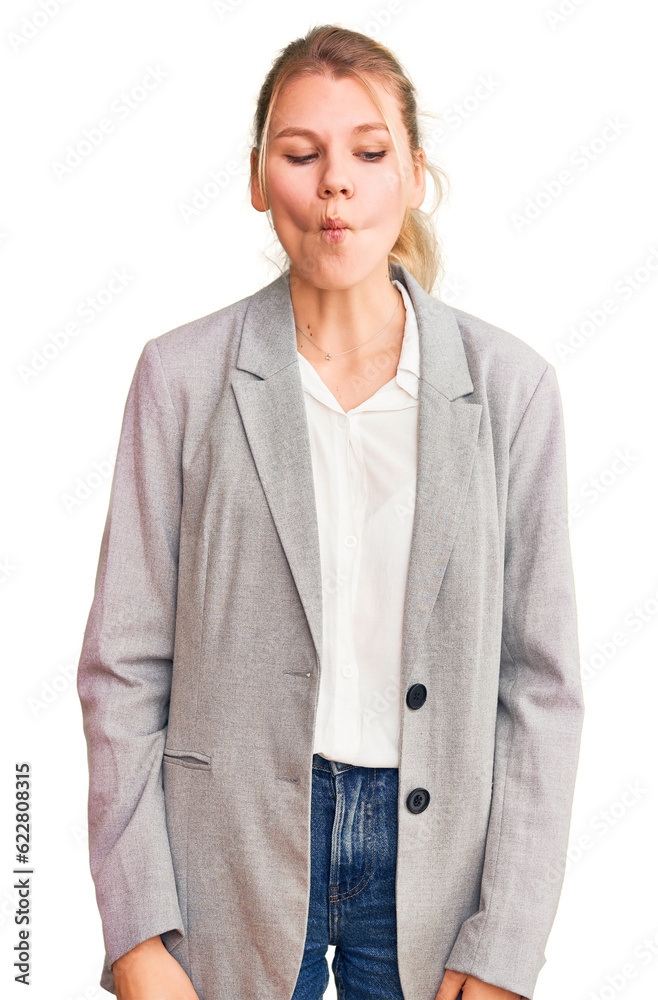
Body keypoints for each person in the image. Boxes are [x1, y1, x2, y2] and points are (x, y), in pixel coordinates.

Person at [77, 23, 584, 1000]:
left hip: (440, 875)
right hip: (226, 862)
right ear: (258, 179)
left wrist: (508, 941)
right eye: (302, 154)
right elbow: (122, 669)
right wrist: (136, 932)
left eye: (369, 152)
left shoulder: (511, 390)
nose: (335, 184)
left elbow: (541, 687)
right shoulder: (180, 379)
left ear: (416, 176)